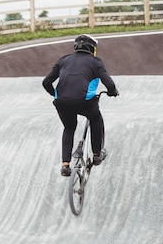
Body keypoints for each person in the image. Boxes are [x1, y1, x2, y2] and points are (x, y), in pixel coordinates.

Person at [42, 34, 119, 177]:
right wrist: (112, 92)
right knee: (96, 119)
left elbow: (46, 82)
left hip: (62, 102)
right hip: (84, 102)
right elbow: (110, 84)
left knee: (69, 127)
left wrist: (56, 95)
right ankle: (97, 154)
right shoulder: (95, 62)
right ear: (92, 49)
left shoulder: (63, 60)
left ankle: (65, 165)